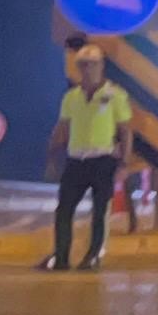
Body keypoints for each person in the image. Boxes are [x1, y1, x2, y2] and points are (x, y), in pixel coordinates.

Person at [43, 46, 135, 272]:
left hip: (103, 159)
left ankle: (93, 255)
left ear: (101, 66)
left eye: (92, 64)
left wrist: (124, 163)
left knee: (100, 210)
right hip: (76, 160)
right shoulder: (71, 98)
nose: (87, 69)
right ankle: (61, 256)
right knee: (64, 209)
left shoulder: (115, 95)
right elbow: (62, 128)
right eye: (83, 65)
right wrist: (52, 155)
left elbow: (125, 131)